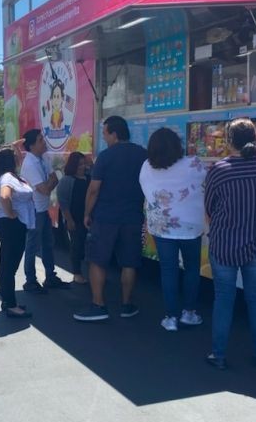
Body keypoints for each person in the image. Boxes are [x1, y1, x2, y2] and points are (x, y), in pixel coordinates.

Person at [203, 118, 256, 369]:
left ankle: (219, 355)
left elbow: (209, 209)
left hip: (224, 244)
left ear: (228, 141)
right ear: (255, 139)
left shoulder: (219, 171)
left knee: (224, 298)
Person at [74, 116, 147, 321]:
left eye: (105, 133)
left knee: (97, 260)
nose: (104, 137)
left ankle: (99, 305)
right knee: (129, 262)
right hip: (133, 216)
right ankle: (127, 305)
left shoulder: (105, 157)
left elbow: (94, 190)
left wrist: (87, 213)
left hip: (106, 217)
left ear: (114, 134)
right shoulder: (143, 154)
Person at [139, 128, 207, 332]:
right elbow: (207, 182)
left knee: (168, 271)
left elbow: (145, 189)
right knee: (192, 269)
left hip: (162, 226)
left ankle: (170, 317)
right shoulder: (194, 163)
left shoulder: (146, 166)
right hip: (191, 226)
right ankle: (189, 312)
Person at [20, 129, 70, 292]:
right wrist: (51, 180)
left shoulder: (43, 158)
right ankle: (31, 281)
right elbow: (45, 189)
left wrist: (51, 180)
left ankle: (50, 277)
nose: (45, 143)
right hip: (34, 211)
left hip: (43, 209)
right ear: (32, 145)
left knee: (48, 244)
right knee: (32, 246)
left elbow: (54, 178)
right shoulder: (30, 164)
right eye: (41, 140)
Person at [0, 146, 35, 318]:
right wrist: (11, 214)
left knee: (7, 265)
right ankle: (10, 305)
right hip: (12, 225)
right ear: (10, 160)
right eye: (17, 155)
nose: (20, 157)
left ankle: (8, 301)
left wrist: (14, 147)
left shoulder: (11, 175)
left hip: (13, 225)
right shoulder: (7, 177)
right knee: (9, 267)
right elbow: (4, 196)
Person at [56, 151, 90, 284]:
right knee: (77, 246)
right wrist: (69, 220)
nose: (82, 166)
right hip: (75, 219)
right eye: (79, 164)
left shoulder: (89, 178)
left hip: (88, 218)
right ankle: (77, 273)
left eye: (84, 163)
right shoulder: (67, 180)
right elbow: (63, 202)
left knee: (89, 247)